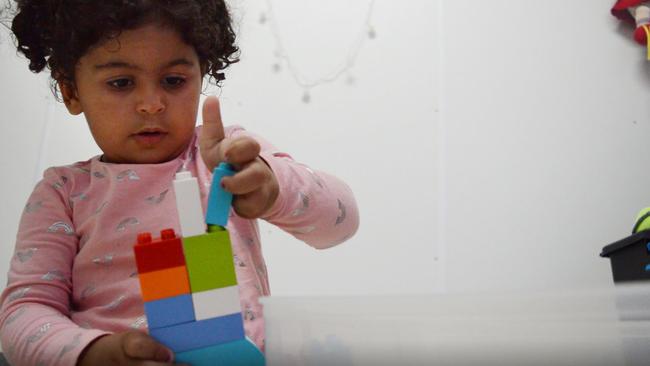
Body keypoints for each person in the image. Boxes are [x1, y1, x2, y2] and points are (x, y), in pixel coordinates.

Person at [0, 1, 359, 365]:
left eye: (173, 81)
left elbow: (340, 224)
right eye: (121, 83)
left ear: (201, 75)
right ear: (71, 91)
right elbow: (24, 312)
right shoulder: (63, 194)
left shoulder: (229, 158)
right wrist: (90, 352)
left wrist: (273, 189)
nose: (152, 104)